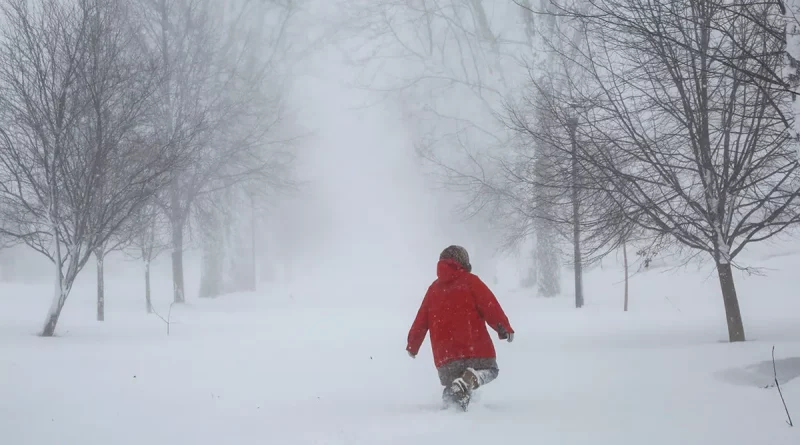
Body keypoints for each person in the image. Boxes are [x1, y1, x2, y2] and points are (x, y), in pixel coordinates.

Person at [406, 245, 514, 411]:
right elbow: (490, 306)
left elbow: (421, 320)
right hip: (475, 349)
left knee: (454, 384)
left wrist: (413, 345)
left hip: (446, 358)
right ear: (463, 262)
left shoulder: (433, 289)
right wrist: (503, 327)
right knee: (491, 370)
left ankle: (452, 404)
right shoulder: (471, 281)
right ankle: (472, 378)